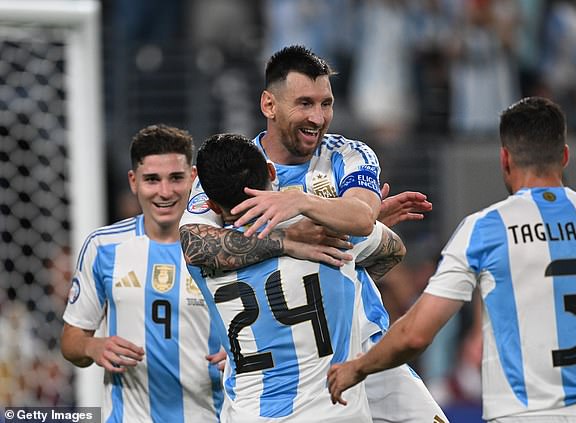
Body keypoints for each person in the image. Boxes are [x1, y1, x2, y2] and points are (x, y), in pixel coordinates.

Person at [180, 45, 447, 422]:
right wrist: (292, 240)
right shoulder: (236, 169)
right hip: (287, 367)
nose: (318, 118)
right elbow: (194, 245)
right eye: (305, 103)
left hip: (363, 344)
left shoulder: (349, 154)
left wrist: (301, 205)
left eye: (326, 103)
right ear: (269, 105)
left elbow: (361, 217)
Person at [327, 96, 576, 423]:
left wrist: (357, 367)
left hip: (524, 415)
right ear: (566, 157)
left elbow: (416, 334)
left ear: (504, 159)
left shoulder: (485, 229)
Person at [190, 133, 409, 422]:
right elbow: (393, 249)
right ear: (271, 172)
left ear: (213, 206)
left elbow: (195, 243)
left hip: (251, 414)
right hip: (334, 411)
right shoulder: (325, 230)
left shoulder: (203, 256)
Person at [60, 125, 224, 422]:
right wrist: (92, 345)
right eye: (152, 180)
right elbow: (71, 338)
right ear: (133, 182)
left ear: (193, 177)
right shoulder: (103, 247)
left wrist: (239, 355)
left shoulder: (225, 247)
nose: (165, 192)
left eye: (175, 178)